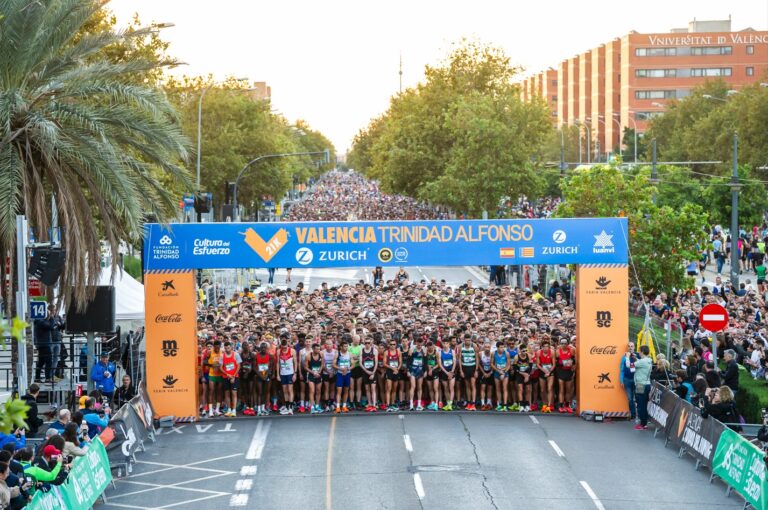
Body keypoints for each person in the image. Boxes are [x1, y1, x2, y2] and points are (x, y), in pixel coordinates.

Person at [633, 345, 653, 431]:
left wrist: (627, 357)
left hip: (640, 384)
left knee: (640, 405)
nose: (638, 352)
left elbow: (630, 366)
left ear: (642, 351)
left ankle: (642, 424)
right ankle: (644, 423)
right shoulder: (648, 360)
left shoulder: (642, 361)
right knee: (644, 404)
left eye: (639, 351)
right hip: (647, 384)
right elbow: (640, 363)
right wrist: (636, 359)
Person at [276, 335, 297, 415]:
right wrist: (278, 374)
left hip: (290, 373)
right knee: (284, 391)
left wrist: (295, 374)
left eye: (285, 347)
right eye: (283, 347)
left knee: (290, 390)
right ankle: (287, 407)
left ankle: (291, 408)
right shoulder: (278, 351)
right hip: (282, 373)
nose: (284, 349)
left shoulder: (292, 351)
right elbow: (278, 363)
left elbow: (295, 363)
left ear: (287, 345)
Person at [33, 308, 55, 383]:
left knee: (41, 362)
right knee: (48, 362)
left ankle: (37, 378)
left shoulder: (39, 322)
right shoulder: (42, 322)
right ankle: (47, 378)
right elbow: (51, 327)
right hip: (45, 345)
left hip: (41, 345)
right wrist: (52, 318)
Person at [220, 341, 241, 417]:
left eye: (228, 348)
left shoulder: (236, 354)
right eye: (225, 348)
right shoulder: (222, 356)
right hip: (226, 377)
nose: (227, 349)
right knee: (227, 394)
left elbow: (238, 366)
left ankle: (234, 410)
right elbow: (221, 367)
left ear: (231, 347)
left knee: (234, 393)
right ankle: (229, 409)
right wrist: (227, 374)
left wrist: (233, 376)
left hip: (234, 377)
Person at [458, 335, 478, 411]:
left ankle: (473, 403)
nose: (468, 342)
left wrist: (476, 370)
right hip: (464, 367)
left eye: (469, 340)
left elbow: (477, 358)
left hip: (472, 367)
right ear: (464, 340)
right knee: (467, 386)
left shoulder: (474, 345)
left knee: (473, 385)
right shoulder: (460, 346)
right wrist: (461, 370)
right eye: (466, 340)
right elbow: (459, 359)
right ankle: (469, 403)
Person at [619, 343, 638, 421]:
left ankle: (639, 416)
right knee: (630, 399)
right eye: (629, 346)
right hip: (627, 380)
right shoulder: (624, 357)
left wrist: (636, 358)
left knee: (637, 398)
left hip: (636, 380)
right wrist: (621, 380)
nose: (630, 347)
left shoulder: (638, 356)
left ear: (634, 347)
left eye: (632, 346)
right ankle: (633, 415)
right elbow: (622, 370)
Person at [333, 340, 352, 413]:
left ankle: (344, 406)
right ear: (341, 347)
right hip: (340, 374)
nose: (346, 347)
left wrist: (347, 369)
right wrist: (341, 369)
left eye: (347, 346)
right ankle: (338, 407)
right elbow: (333, 364)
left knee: (346, 390)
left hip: (347, 373)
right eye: (344, 346)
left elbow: (353, 364)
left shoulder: (349, 354)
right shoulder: (337, 354)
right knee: (339, 390)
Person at [360, 337, 379, 412]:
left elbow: (376, 363)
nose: (367, 344)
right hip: (365, 372)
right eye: (366, 343)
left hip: (373, 372)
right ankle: (370, 404)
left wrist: (373, 373)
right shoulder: (362, 351)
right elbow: (361, 363)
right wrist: (366, 371)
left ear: (371, 343)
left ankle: (374, 405)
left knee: (373, 389)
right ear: (364, 343)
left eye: (369, 343)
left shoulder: (374, 350)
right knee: (367, 389)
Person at [492, 341, 510, 412]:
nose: (502, 349)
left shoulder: (506, 353)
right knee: (498, 389)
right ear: (497, 348)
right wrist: (498, 371)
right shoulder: (494, 353)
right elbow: (491, 364)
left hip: (504, 373)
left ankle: (505, 405)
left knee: (504, 388)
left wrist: (504, 372)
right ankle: (499, 404)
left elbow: (508, 365)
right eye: (501, 347)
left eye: (503, 347)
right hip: (497, 372)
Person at [438, 339, 456, 411]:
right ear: (442, 344)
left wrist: (451, 372)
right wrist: (446, 372)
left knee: (451, 388)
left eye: (447, 343)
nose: (445, 345)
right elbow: (440, 364)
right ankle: (448, 404)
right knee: (446, 388)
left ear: (449, 344)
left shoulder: (452, 351)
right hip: (444, 372)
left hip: (451, 372)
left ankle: (450, 404)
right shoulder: (439, 352)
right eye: (444, 343)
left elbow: (454, 362)